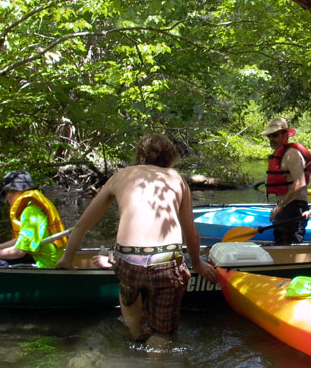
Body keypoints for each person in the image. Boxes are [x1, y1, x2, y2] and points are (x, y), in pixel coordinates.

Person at [55, 134, 218, 345]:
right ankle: (154, 359)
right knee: (162, 335)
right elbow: (191, 232)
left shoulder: (120, 176)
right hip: (166, 262)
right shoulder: (176, 179)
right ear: (169, 156)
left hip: (128, 262)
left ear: (140, 155)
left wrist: (67, 259)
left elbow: (82, 225)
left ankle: (134, 332)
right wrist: (197, 264)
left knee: (129, 299)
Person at [0, 171, 67, 267]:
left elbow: (19, 252)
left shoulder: (31, 212)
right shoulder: (33, 206)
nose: (8, 196)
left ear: (24, 190)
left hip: (43, 263)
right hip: (39, 258)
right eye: (7, 192)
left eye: (12, 191)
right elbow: (20, 240)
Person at [262, 118, 311, 245]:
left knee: (290, 247)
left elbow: (300, 183)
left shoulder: (292, 154)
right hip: (284, 207)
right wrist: (280, 207)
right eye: (269, 136)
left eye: (275, 135)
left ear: (285, 135)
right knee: (280, 245)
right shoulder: (281, 154)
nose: (271, 139)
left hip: (294, 208)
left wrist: (280, 207)